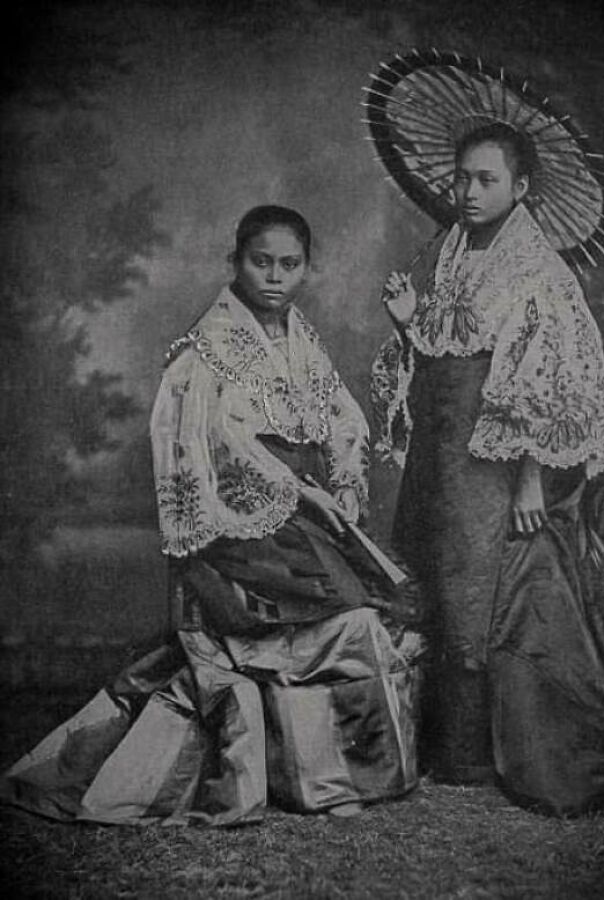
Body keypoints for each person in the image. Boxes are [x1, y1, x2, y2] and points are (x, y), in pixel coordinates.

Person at [0, 205, 422, 826]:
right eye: (261, 262)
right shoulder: (207, 350)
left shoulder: (302, 341)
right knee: (340, 605)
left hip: (297, 510)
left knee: (368, 606)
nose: (275, 277)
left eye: (290, 264)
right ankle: (305, 777)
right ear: (235, 263)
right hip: (234, 524)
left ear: (307, 268)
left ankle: (329, 774)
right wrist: (300, 493)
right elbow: (214, 444)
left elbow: (342, 415)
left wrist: (349, 480)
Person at [371, 122, 604, 814]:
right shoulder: (446, 252)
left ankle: (490, 753)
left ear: (521, 188)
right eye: (460, 177)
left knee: (492, 593)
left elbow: (559, 382)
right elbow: (435, 353)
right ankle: (443, 746)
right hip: (443, 450)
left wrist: (532, 480)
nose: (468, 192)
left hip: (500, 462)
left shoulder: (539, 272)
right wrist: (407, 322)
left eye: (486, 179)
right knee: (436, 579)